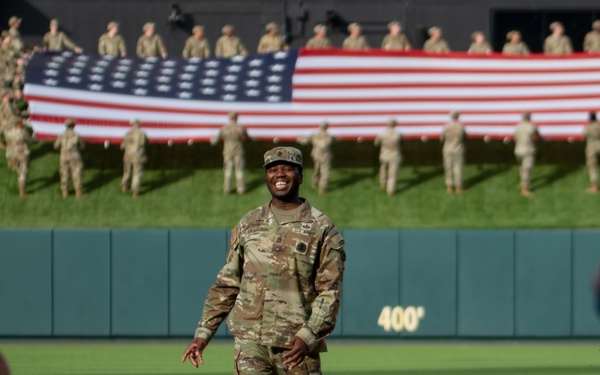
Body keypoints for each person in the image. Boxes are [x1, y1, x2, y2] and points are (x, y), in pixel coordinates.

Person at [181, 146, 346, 375]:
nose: (279, 174)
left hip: (296, 348)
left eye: (288, 169)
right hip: (250, 344)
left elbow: (330, 293)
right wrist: (203, 334)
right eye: (272, 170)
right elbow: (227, 284)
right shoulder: (249, 223)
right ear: (266, 176)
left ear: (301, 176)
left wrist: (308, 336)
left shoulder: (322, 228)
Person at [211, 112, 251, 195]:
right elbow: (248, 138)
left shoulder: (224, 128)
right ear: (236, 118)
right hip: (238, 151)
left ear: (229, 118)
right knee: (239, 170)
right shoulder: (240, 128)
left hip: (227, 152)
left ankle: (227, 189)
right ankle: (241, 189)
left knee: (228, 170)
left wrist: (211, 140)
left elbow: (215, 141)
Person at [299, 121, 335, 195]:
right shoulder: (328, 136)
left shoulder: (314, 135)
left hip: (316, 155)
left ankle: (315, 182)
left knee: (317, 169)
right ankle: (322, 188)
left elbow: (304, 141)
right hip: (324, 155)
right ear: (327, 127)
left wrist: (301, 140)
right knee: (324, 172)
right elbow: (324, 145)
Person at [54, 118, 85, 198]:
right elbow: (82, 146)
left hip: (63, 157)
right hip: (74, 156)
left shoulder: (61, 135)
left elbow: (56, 146)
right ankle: (78, 192)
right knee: (76, 173)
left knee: (64, 174)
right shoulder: (77, 135)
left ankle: (65, 192)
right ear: (73, 125)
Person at [514, 112, 540, 197]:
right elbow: (538, 135)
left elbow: (515, 137)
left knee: (522, 168)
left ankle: (523, 182)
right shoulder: (531, 127)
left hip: (518, 150)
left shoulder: (518, 127)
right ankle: (524, 189)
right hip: (528, 150)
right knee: (527, 169)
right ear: (529, 118)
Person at [4, 119, 32, 197]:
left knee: (19, 170)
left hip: (13, 154)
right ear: (19, 124)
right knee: (23, 172)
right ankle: (22, 192)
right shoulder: (22, 132)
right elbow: (30, 140)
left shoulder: (9, 133)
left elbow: (8, 142)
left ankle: (21, 183)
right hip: (22, 154)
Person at [120, 118, 148, 198]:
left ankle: (124, 186)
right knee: (137, 173)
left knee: (126, 171)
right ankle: (135, 190)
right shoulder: (142, 134)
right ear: (139, 124)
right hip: (138, 155)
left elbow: (122, 146)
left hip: (127, 155)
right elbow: (145, 143)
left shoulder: (127, 133)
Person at [375, 118, 402, 196]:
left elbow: (376, 143)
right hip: (395, 155)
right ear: (395, 124)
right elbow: (403, 142)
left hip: (384, 154)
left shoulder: (381, 134)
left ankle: (383, 183)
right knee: (392, 174)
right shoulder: (398, 134)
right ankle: (390, 190)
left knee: (383, 168)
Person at [441, 111, 466, 194]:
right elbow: (464, 137)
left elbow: (441, 138)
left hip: (447, 148)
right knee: (457, 167)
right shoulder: (461, 126)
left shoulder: (446, 126)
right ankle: (458, 187)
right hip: (457, 148)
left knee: (448, 167)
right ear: (458, 116)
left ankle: (449, 186)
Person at [584, 112, 600, 194]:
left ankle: (595, 186)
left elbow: (584, 136)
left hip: (591, 147)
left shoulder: (587, 127)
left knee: (592, 166)